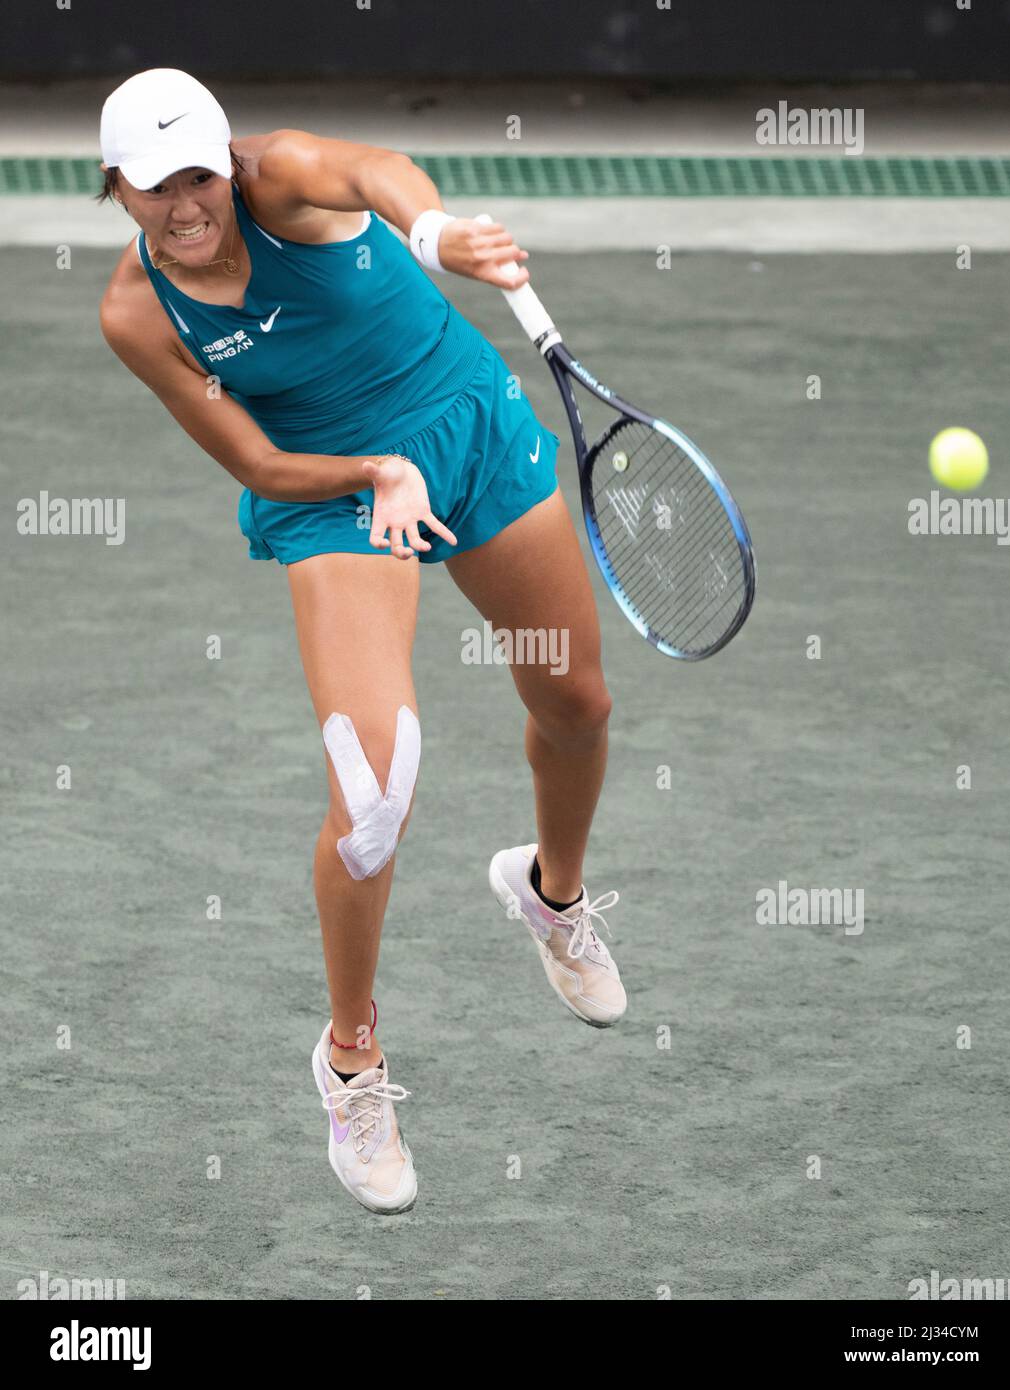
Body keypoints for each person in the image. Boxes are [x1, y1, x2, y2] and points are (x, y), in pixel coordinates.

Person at [98, 68, 625, 1216]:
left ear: (224, 159)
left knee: (576, 704)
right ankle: (351, 1060)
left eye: (198, 175)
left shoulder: (277, 174)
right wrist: (372, 472)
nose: (185, 205)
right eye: (154, 189)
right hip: (334, 490)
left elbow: (376, 176)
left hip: (465, 421)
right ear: (115, 191)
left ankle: (553, 895)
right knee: (374, 790)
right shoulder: (137, 314)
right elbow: (252, 463)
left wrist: (431, 231)